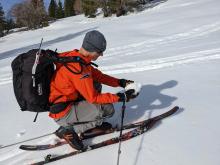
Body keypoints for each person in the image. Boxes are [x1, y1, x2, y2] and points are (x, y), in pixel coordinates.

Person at [49, 30, 138, 150]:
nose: (101, 55)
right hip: (64, 112)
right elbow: (94, 98)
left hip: (66, 103)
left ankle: (86, 121)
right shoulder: (78, 69)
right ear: (91, 49)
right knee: (108, 109)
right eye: (100, 52)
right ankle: (68, 130)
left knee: (95, 83)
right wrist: (121, 97)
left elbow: (99, 76)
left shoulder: (75, 57)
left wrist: (120, 82)